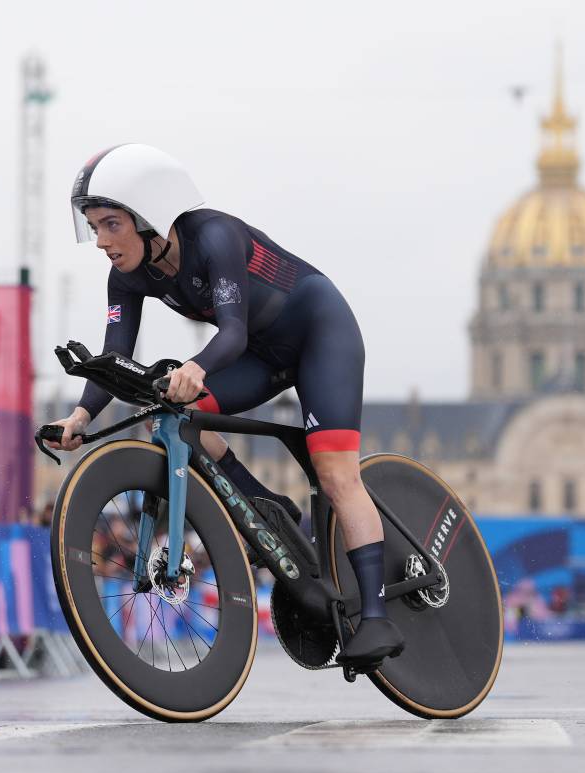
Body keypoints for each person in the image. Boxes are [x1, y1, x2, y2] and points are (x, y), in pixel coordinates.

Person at [45, 143, 403, 669]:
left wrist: (197, 368)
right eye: (94, 227)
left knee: (335, 475)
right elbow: (115, 354)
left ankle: (376, 616)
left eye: (111, 225)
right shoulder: (127, 274)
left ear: (149, 219)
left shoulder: (214, 236)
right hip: (263, 354)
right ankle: (266, 507)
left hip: (321, 338)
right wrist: (79, 418)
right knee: (173, 415)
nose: (101, 241)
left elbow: (231, 331)